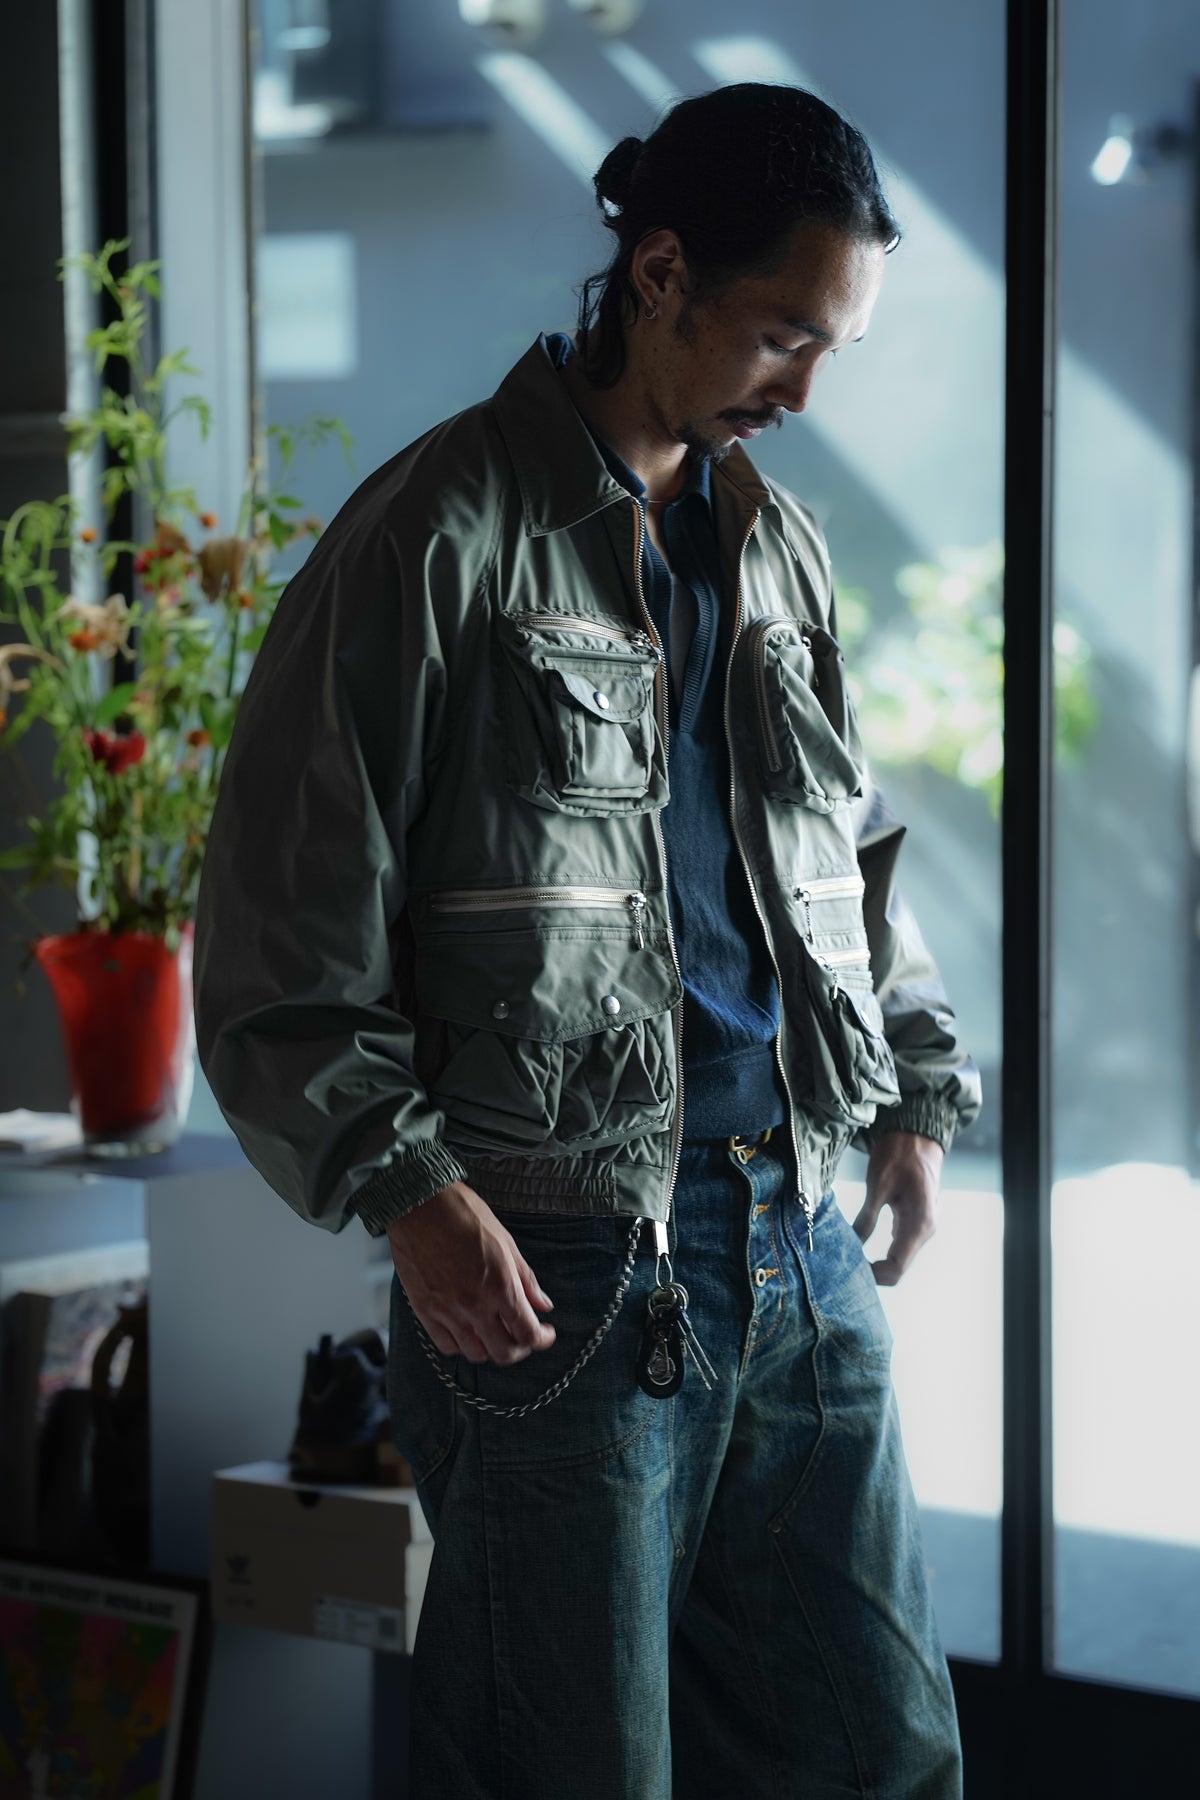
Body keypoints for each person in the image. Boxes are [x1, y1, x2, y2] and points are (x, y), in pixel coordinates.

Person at [195, 81, 981, 1800]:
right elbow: (276, 936)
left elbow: (842, 853)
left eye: (832, 347)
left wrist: (916, 1091)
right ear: (659, 272)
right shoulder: (435, 534)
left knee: (883, 1759)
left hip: (800, 1240)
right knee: (570, 1770)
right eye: (784, 334)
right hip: (559, 1271)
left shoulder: (777, 546)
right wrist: (409, 1197)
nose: (805, 390)